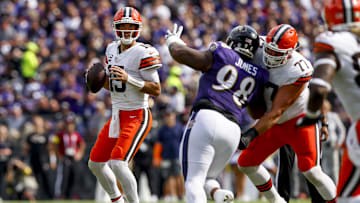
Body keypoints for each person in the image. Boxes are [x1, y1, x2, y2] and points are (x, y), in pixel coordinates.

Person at [165, 24, 269, 203]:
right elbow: (258, 110)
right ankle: (218, 195)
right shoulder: (260, 74)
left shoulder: (222, 52)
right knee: (208, 177)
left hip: (207, 117)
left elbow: (181, 54)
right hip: (233, 130)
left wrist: (173, 41)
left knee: (192, 180)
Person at [237, 24, 337, 203]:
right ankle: (277, 200)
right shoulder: (255, 45)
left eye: (277, 53)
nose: (270, 55)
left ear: (291, 52)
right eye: (269, 50)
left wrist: (250, 134)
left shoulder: (298, 68)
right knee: (246, 163)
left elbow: (277, 111)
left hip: (298, 121)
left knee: (311, 170)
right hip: (273, 122)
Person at [87, 7, 162, 203]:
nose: (127, 30)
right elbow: (112, 85)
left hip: (138, 114)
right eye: (123, 26)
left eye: (131, 26)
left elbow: (156, 89)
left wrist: (130, 79)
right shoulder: (111, 49)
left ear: (138, 28)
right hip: (117, 115)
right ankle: (116, 199)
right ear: (116, 28)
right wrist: (95, 80)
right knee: (95, 163)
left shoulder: (144, 52)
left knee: (119, 163)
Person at [296, 0, 360, 202]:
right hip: (355, 128)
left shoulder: (332, 40)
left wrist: (311, 116)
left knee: (348, 198)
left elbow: (319, 89)